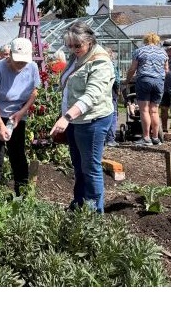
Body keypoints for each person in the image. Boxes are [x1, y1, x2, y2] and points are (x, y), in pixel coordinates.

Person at [49, 22, 114, 213]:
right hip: (75, 121)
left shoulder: (100, 61)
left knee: (91, 167)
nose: (73, 49)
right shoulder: (75, 58)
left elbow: (92, 95)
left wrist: (66, 117)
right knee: (78, 166)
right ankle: (79, 204)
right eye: (69, 45)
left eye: (78, 46)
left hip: (92, 121)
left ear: (90, 41)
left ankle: (94, 213)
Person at [0, 37, 42, 195]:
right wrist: (1, 125)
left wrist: (22, 112)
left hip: (18, 114)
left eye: (24, 61)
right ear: (10, 55)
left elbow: (34, 92)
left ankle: (21, 196)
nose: (21, 64)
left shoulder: (32, 67)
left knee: (18, 154)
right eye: (18, 61)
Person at [126, 32, 168, 146]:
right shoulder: (163, 52)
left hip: (144, 80)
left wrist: (127, 81)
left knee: (144, 110)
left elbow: (132, 68)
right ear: (157, 41)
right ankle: (155, 137)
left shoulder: (140, 51)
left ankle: (146, 138)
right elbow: (166, 70)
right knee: (154, 110)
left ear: (145, 40)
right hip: (159, 82)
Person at [103, 47, 121, 147]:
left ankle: (103, 138)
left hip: (101, 91)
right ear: (110, 55)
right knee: (113, 113)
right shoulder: (111, 64)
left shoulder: (98, 63)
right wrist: (118, 89)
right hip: (111, 90)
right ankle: (110, 139)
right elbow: (117, 79)